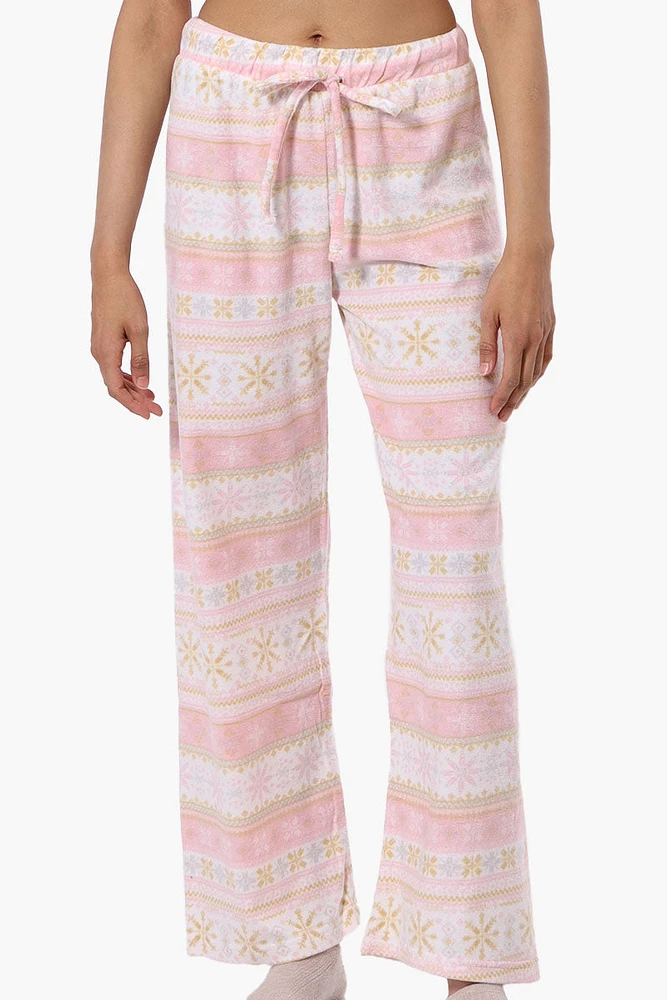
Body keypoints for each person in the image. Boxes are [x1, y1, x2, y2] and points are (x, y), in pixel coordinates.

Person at [90, 1, 554, 996]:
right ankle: (294, 944)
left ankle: (469, 950)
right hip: (229, 137)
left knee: (453, 555)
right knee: (238, 561)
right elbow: (151, 17)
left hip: (419, 131)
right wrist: (105, 257)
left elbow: (508, 9)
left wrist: (532, 247)